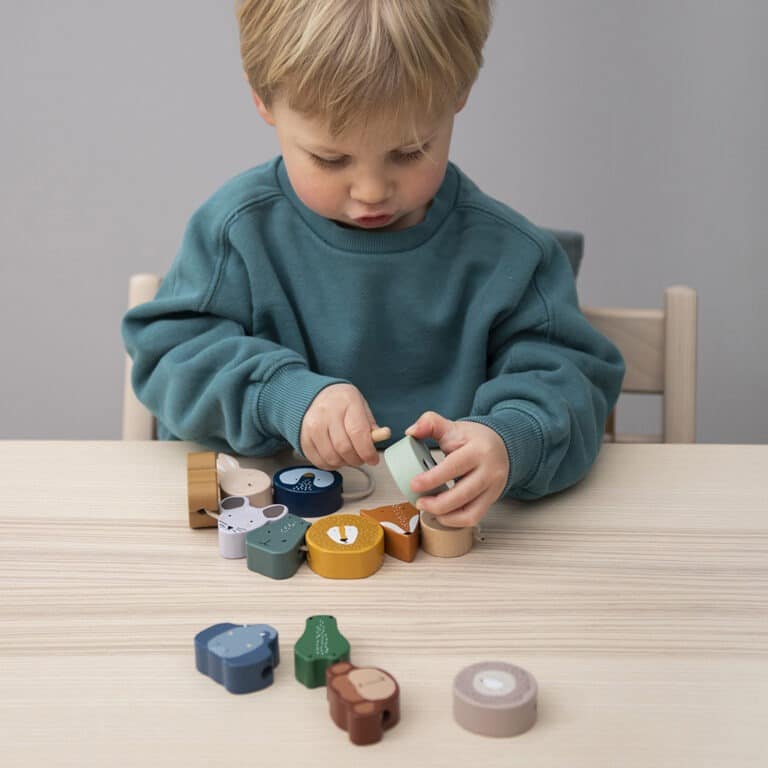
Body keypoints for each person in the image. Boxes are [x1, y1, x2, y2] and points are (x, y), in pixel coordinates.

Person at [122, 0, 625, 528]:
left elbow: (571, 382)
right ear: (262, 98)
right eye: (331, 159)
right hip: (269, 533)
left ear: (459, 94)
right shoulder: (237, 232)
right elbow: (168, 356)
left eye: (409, 152)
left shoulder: (512, 256)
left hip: (449, 555)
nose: (371, 192)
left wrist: (510, 438)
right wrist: (282, 395)